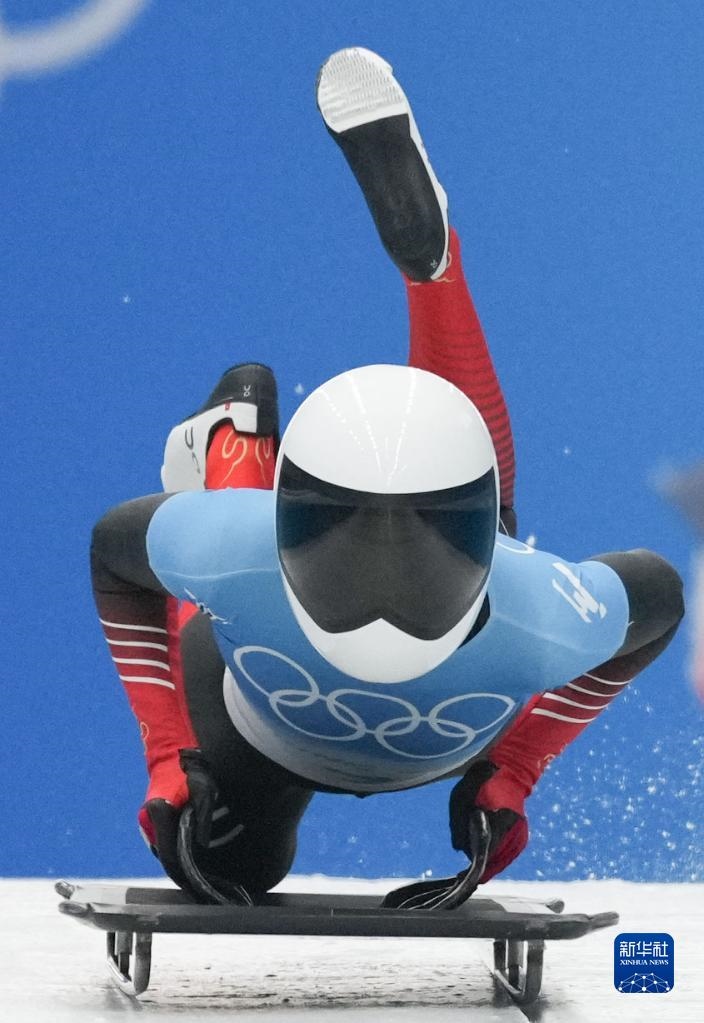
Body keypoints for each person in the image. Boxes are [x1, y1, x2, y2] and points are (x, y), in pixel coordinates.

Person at [91, 48, 684, 901]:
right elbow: (656, 596)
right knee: (233, 868)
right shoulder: (541, 615)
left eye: (425, 540)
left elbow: (115, 554)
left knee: (222, 862)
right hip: (370, 706)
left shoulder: (229, 549)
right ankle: (412, 300)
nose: (385, 580)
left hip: (260, 703)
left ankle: (239, 448)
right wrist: (513, 775)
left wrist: (168, 754)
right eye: (344, 533)